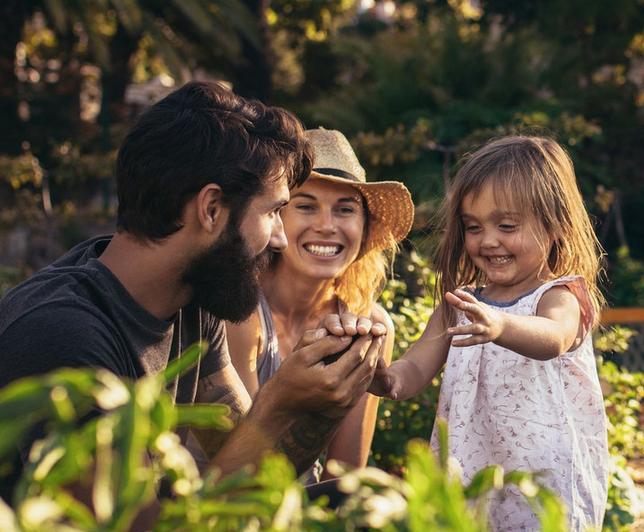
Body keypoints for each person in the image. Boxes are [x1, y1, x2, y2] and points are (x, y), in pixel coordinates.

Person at [0, 82, 386, 509]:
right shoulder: (62, 337)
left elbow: (244, 465)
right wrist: (278, 402)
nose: (280, 238)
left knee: (365, 502)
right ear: (211, 209)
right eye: (275, 211)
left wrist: (322, 397)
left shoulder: (191, 299)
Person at [368, 135, 609, 532]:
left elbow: (553, 338)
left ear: (554, 226)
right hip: (478, 495)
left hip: (545, 496)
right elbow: (413, 371)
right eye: (473, 227)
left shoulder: (561, 295)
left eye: (507, 226)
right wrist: (378, 377)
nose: (488, 240)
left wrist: (501, 324)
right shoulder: (460, 306)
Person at [227, 128, 413, 479]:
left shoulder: (368, 325)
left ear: (365, 227)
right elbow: (236, 462)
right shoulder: (239, 311)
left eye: (345, 210)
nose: (327, 226)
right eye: (307, 206)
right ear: (276, 217)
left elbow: (343, 474)